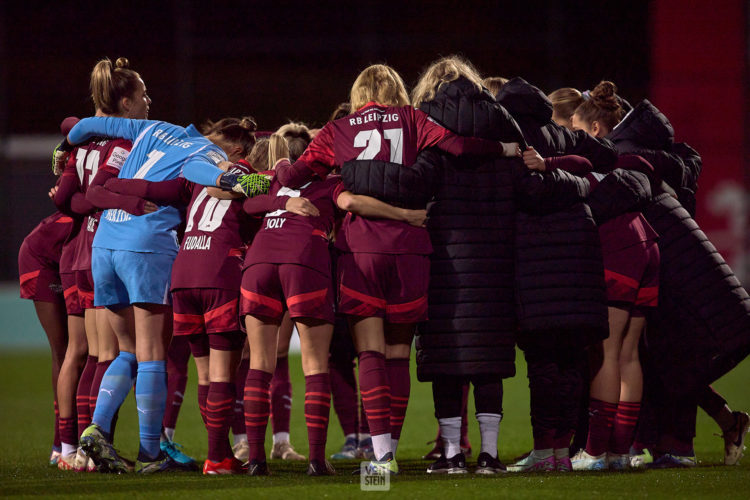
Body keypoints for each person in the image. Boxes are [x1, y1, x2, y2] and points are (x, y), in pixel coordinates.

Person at [274, 63, 519, 474]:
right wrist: (505, 149)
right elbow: (458, 147)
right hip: (410, 248)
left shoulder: (340, 129)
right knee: (398, 354)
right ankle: (395, 450)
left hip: (362, 248)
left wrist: (280, 169)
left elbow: (295, 176)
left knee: (368, 351)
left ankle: (382, 458)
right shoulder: (413, 119)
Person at [59, 81, 267, 473]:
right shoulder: (205, 152)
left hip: (105, 242)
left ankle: (97, 429)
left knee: (126, 349)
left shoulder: (153, 128)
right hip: (147, 243)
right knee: (152, 351)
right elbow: (202, 170)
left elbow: (88, 126)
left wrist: (66, 142)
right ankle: (150, 451)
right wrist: (233, 180)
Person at [240, 159, 427, 476]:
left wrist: (281, 200)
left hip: (258, 261)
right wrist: (406, 215)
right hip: (303, 257)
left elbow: (247, 203)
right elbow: (350, 202)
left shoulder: (271, 176)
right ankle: (316, 460)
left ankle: (256, 460)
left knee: (260, 363)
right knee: (314, 365)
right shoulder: (334, 181)